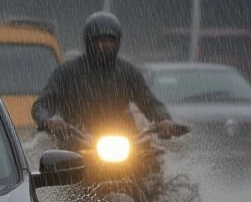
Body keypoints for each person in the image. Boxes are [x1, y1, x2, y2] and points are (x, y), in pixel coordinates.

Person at [32, 12, 180, 144]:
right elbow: (42, 104)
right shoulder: (66, 72)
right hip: (76, 141)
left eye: (111, 40)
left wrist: (164, 120)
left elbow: (150, 102)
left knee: (153, 157)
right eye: (100, 40)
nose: (106, 45)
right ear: (89, 41)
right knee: (56, 162)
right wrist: (49, 121)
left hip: (124, 143)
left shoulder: (128, 72)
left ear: (118, 42)